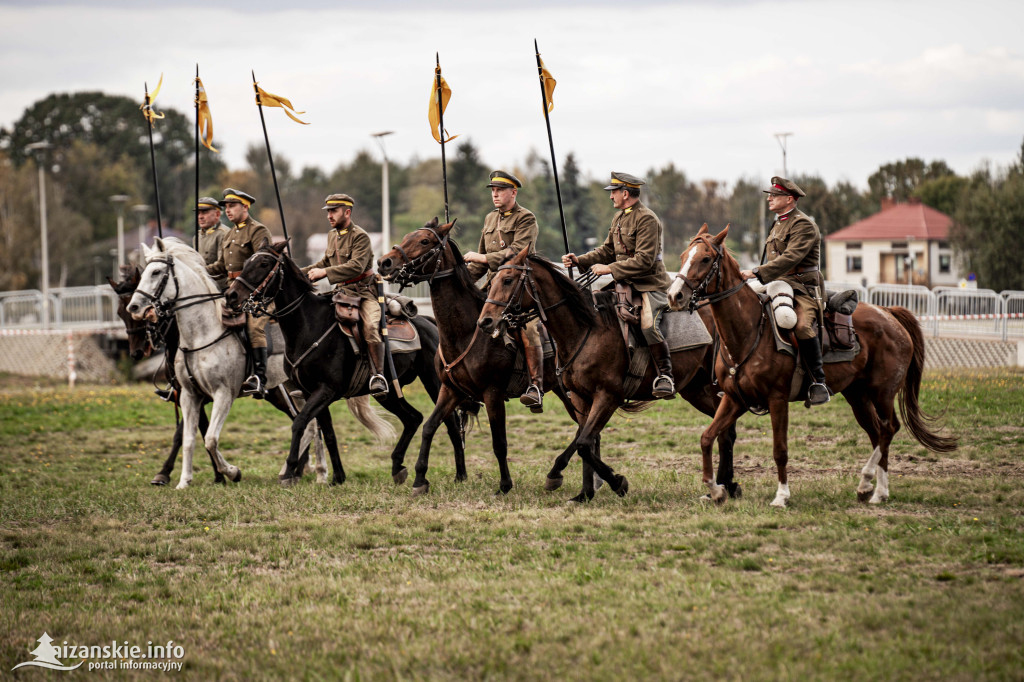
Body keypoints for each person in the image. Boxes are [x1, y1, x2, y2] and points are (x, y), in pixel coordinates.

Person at [561, 171, 675, 399]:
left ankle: (665, 375)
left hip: (649, 285)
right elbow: (607, 251)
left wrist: (610, 269)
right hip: (624, 284)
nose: (611, 197)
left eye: (613, 192)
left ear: (625, 193)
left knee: (648, 325)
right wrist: (580, 260)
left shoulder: (647, 219)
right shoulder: (620, 217)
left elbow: (644, 260)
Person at [740, 176, 829, 405]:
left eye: (774, 195)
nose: (769, 198)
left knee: (799, 325)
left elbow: (791, 258)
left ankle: (818, 381)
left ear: (789, 199)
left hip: (802, 288)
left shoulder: (803, 225)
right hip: (776, 282)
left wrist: (757, 272)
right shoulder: (779, 222)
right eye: (769, 195)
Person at [464, 170, 544, 411]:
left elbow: (518, 251)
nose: (495, 194)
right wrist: (462, 280)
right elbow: (480, 264)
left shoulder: (526, 218)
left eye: (499, 190)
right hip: (493, 290)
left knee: (528, 329)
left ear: (513, 192)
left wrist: (482, 256)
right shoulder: (490, 219)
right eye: (493, 191)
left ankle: (535, 386)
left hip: (519, 290)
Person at [302, 193, 387, 397]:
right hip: (340, 293)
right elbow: (325, 263)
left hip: (363, 294)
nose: (329, 216)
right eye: (328, 212)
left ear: (347, 212)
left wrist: (326, 273)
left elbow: (356, 266)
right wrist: (299, 273)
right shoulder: (333, 235)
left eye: (334, 211)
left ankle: (378, 375)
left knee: (370, 326)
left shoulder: (360, 236)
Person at [154, 196, 230, 402]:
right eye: (199, 213)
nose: (201, 216)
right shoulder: (197, 238)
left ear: (217, 213)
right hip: (198, 294)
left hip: (219, 291)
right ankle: (178, 379)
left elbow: (224, 265)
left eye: (206, 212)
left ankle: (245, 368)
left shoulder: (224, 235)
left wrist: (197, 272)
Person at [206, 188, 273, 398]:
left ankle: (259, 378)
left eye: (232, 205)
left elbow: (265, 265)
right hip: (232, 292)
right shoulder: (231, 233)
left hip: (257, 294)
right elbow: (221, 265)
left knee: (254, 328)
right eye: (226, 206)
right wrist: (197, 270)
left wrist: (254, 292)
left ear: (245, 207)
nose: (228, 210)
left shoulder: (257, 231)